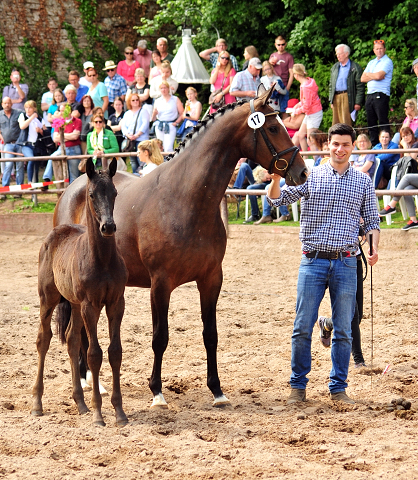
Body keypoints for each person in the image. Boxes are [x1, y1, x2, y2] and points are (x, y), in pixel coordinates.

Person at [267, 123, 380, 405]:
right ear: (327, 145)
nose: (339, 149)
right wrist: (276, 179)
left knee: (343, 328)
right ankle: (298, 387)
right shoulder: (310, 176)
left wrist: (373, 246)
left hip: (346, 261)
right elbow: (277, 202)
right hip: (312, 260)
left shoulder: (363, 182)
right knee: (302, 326)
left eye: (345, 144)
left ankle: (338, 387)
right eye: (335, 144)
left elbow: (373, 221)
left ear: (352, 147)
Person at [361, 40, 393, 146]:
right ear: (374, 50)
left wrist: (370, 75)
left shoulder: (387, 61)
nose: (379, 51)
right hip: (370, 95)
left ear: (384, 49)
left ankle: (386, 146)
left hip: (381, 93)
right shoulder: (372, 62)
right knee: (371, 123)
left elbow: (379, 76)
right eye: (377, 49)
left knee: (382, 121)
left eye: (381, 48)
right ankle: (375, 147)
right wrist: (374, 75)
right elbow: (362, 78)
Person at [329, 44, 364, 126]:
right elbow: (331, 85)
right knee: (336, 122)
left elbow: (360, 86)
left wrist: (358, 102)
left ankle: (348, 138)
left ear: (346, 54)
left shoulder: (355, 67)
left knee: (346, 122)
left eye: (340, 54)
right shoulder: (335, 67)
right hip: (336, 97)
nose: (338, 56)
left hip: (348, 96)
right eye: (337, 54)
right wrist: (331, 99)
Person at [291, 64, 323, 152]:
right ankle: (305, 159)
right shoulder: (309, 81)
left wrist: (295, 112)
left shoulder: (305, 87)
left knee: (311, 140)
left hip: (314, 113)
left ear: (296, 75)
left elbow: (307, 106)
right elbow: (308, 99)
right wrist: (298, 104)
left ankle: (316, 161)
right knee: (300, 135)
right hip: (310, 113)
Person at [49, 103, 83, 186]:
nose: (61, 113)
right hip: (62, 148)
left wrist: (62, 136)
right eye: (60, 111)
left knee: (74, 175)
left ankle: (73, 195)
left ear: (69, 111)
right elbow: (55, 138)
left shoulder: (77, 121)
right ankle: (47, 177)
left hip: (74, 149)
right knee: (51, 158)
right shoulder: (60, 122)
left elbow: (75, 136)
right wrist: (69, 136)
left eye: (63, 111)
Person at [0, 97, 24, 196]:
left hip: (19, 144)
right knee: (8, 166)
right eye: (5, 103)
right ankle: (4, 189)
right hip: (7, 144)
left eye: (9, 103)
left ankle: (19, 190)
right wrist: (2, 138)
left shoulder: (19, 113)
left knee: (20, 166)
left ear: (11, 104)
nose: (7, 105)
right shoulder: (0, 115)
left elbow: (23, 125)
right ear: (2, 104)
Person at [121, 93, 150, 173]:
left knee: (142, 159)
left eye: (137, 100)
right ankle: (134, 175)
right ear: (129, 102)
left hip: (141, 139)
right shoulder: (127, 113)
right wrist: (127, 135)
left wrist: (137, 135)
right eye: (133, 100)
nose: (135, 101)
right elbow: (124, 126)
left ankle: (143, 175)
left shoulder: (144, 111)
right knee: (133, 160)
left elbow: (145, 124)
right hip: (130, 140)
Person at [151, 82, 183, 152]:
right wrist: (154, 114)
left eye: (165, 88)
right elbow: (153, 118)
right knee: (160, 146)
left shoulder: (175, 99)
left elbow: (182, 113)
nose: (163, 90)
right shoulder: (157, 100)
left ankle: (170, 161)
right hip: (160, 125)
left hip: (170, 124)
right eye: (161, 88)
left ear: (168, 88)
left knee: (168, 147)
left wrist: (176, 122)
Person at [18, 100, 43, 183]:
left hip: (36, 145)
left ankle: (35, 183)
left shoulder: (39, 118)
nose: (28, 110)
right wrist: (32, 117)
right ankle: (29, 181)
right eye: (26, 108)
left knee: (36, 164)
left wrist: (40, 131)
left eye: (30, 108)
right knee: (31, 159)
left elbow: (44, 130)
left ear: (34, 109)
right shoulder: (22, 116)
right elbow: (22, 126)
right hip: (26, 144)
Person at [269, 35, 294, 113]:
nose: (281, 46)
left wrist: (287, 88)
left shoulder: (289, 57)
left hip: (284, 85)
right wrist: (270, 62)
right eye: (279, 45)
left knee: (284, 110)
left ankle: (285, 124)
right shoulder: (273, 56)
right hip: (273, 86)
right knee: (272, 110)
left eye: (282, 44)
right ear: (275, 45)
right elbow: (267, 69)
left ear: (285, 44)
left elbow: (292, 73)